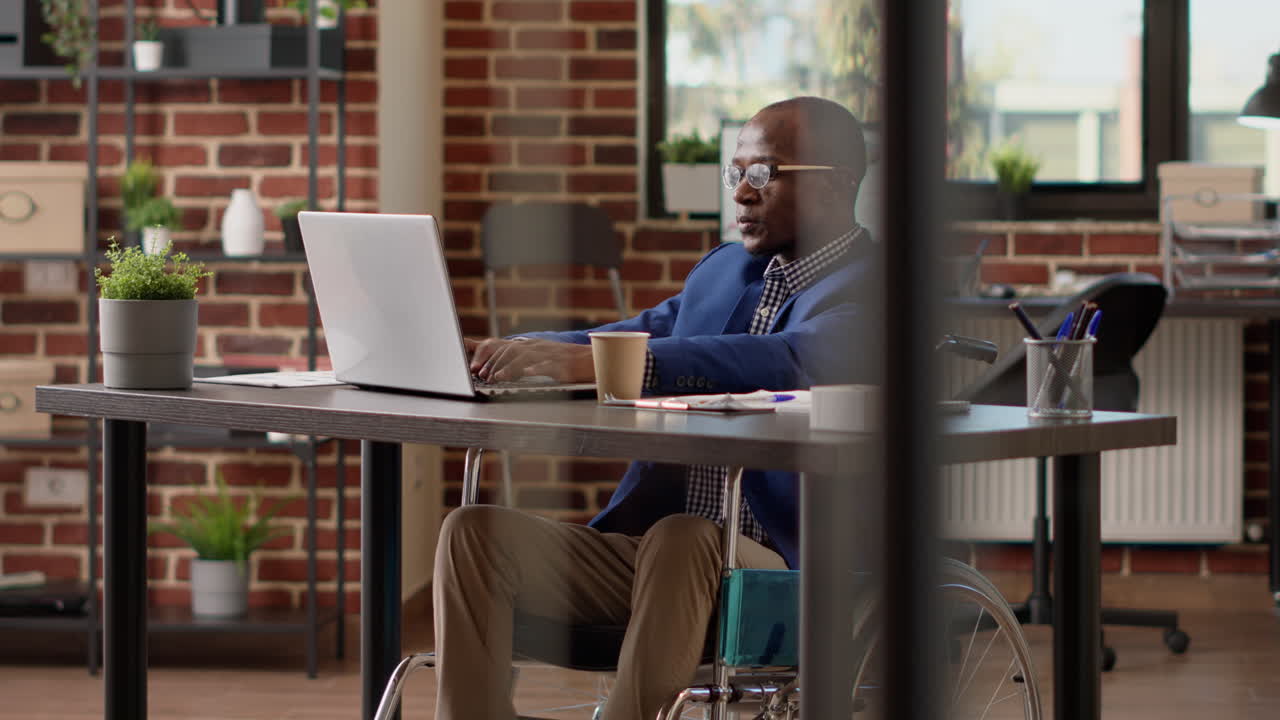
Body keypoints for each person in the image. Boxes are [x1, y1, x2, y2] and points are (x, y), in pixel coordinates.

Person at [434, 96, 880, 720]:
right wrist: (519, 351)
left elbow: (787, 359)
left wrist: (619, 367)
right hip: (657, 563)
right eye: (736, 173)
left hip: (785, 573)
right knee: (472, 534)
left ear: (834, 186)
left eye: (762, 174)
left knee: (686, 537)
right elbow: (645, 329)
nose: (742, 194)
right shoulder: (725, 271)